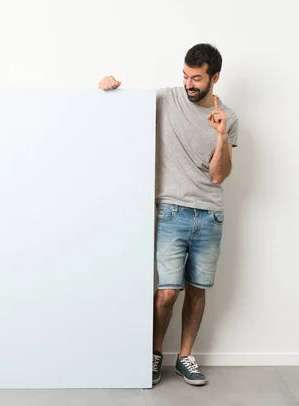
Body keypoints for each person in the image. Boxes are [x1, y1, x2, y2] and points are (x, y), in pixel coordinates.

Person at [98, 43, 239, 387]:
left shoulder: (229, 118)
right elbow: (125, 110)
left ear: (214, 78)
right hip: (170, 211)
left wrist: (221, 137)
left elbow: (219, 175)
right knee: (167, 292)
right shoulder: (166, 99)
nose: (190, 84)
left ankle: (185, 356)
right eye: (186, 76)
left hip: (210, 215)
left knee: (197, 289)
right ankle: (154, 354)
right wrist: (107, 89)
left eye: (198, 78)